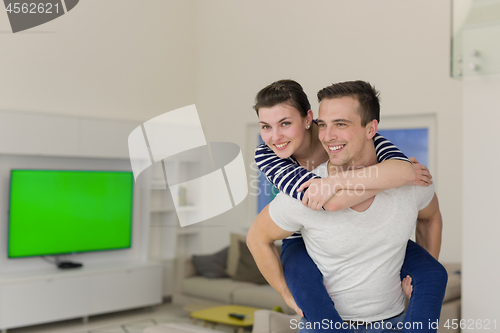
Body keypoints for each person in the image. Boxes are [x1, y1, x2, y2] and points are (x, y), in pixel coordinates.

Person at [248, 80, 447, 332]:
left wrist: (404, 174)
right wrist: (286, 295)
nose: (276, 136)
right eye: (266, 126)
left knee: (434, 275)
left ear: (307, 119)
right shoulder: (269, 155)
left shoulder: (357, 145)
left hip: (391, 313)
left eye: (285, 123)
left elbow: (401, 170)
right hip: (297, 235)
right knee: (313, 300)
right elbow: (328, 201)